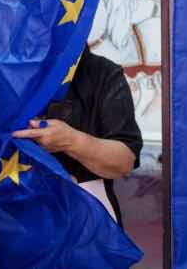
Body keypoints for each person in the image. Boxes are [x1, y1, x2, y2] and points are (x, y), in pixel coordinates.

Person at [12, 46, 143, 227]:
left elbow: (124, 161)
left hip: (84, 223)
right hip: (10, 221)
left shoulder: (100, 72)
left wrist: (71, 141)